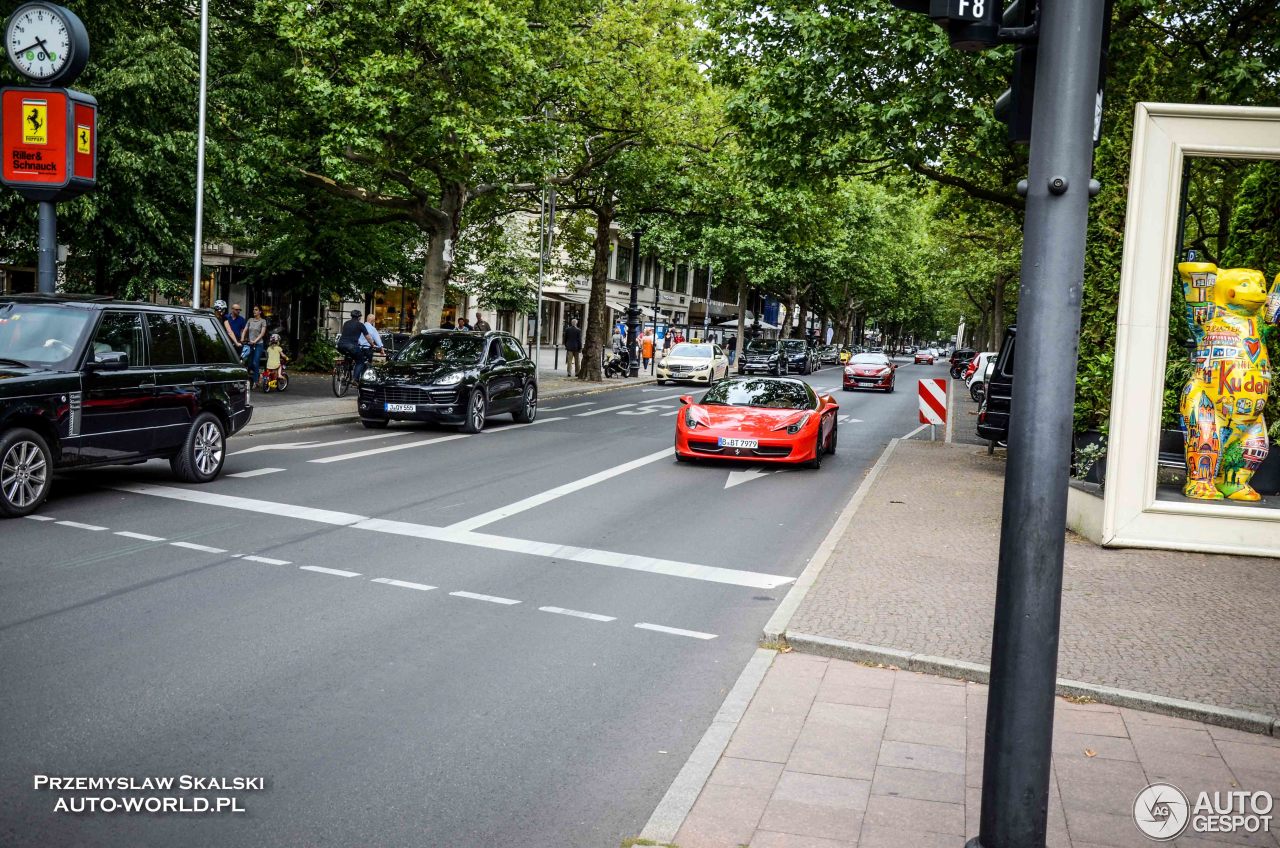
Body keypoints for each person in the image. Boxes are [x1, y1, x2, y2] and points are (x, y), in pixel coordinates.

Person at [337, 309, 380, 381]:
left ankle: (344, 374)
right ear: (359, 317)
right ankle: (354, 379)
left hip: (340, 345)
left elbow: (348, 334)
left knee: (348, 357)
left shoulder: (346, 323)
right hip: (352, 347)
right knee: (360, 361)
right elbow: (368, 337)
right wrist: (372, 345)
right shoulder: (360, 325)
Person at [242, 305, 268, 387]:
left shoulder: (263, 321)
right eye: (253, 310)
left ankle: (256, 382)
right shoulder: (250, 320)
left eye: (256, 310)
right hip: (250, 344)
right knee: (249, 364)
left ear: (260, 312)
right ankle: (258, 374)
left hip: (259, 344)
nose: (254, 311)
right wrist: (242, 338)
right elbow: (245, 329)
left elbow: (262, 333)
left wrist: (255, 341)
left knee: (255, 362)